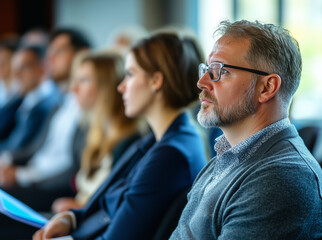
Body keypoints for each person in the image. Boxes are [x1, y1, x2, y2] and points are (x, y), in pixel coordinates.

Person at [33, 32, 207, 240]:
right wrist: (71, 217)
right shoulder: (161, 139)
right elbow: (108, 204)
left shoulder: (170, 155)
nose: (121, 86)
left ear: (155, 81)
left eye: (130, 74)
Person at [170, 20, 322, 239]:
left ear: (267, 88)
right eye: (207, 69)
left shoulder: (279, 180)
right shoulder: (228, 157)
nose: (202, 82)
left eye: (221, 71)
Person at [0, 28, 91, 212]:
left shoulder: (84, 107)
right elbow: (35, 148)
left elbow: (73, 168)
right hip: (33, 177)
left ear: (81, 53)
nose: (50, 58)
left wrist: (21, 176)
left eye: (59, 51)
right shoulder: (60, 104)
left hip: (53, 188)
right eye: (50, 51)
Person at [51, 53, 140, 213]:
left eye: (83, 80)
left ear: (107, 86)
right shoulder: (92, 131)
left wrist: (78, 210)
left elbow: (115, 206)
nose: (74, 88)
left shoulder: (130, 141)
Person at [0, 46, 60, 154]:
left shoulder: (47, 104)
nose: (17, 75)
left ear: (42, 68)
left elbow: (21, 146)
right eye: (15, 69)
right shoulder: (25, 100)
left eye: (24, 67)